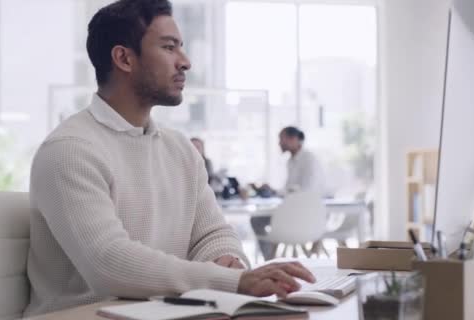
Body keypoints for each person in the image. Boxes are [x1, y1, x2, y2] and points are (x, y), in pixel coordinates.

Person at [24, 1, 315, 316]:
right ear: (124, 58)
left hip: (164, 312)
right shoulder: (69, 151)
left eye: (181, 48)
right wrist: (232, 281)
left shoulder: (180, 149)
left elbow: (212, 234)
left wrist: (225, 261)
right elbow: (109, 263)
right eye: (169, 47)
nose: (185, 62)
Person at [251, 126, 325, 260]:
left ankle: (270, 259)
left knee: (257, 220)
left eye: (281, 139)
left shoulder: (309, 159)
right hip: (293, 211)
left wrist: (285, 193)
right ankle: (270, 259)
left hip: (305, 214)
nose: (279, 143)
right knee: (257, 220)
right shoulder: (291, 161)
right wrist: (274, 191)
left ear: (294, 139)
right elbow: (289, 189)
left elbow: (306, 190)